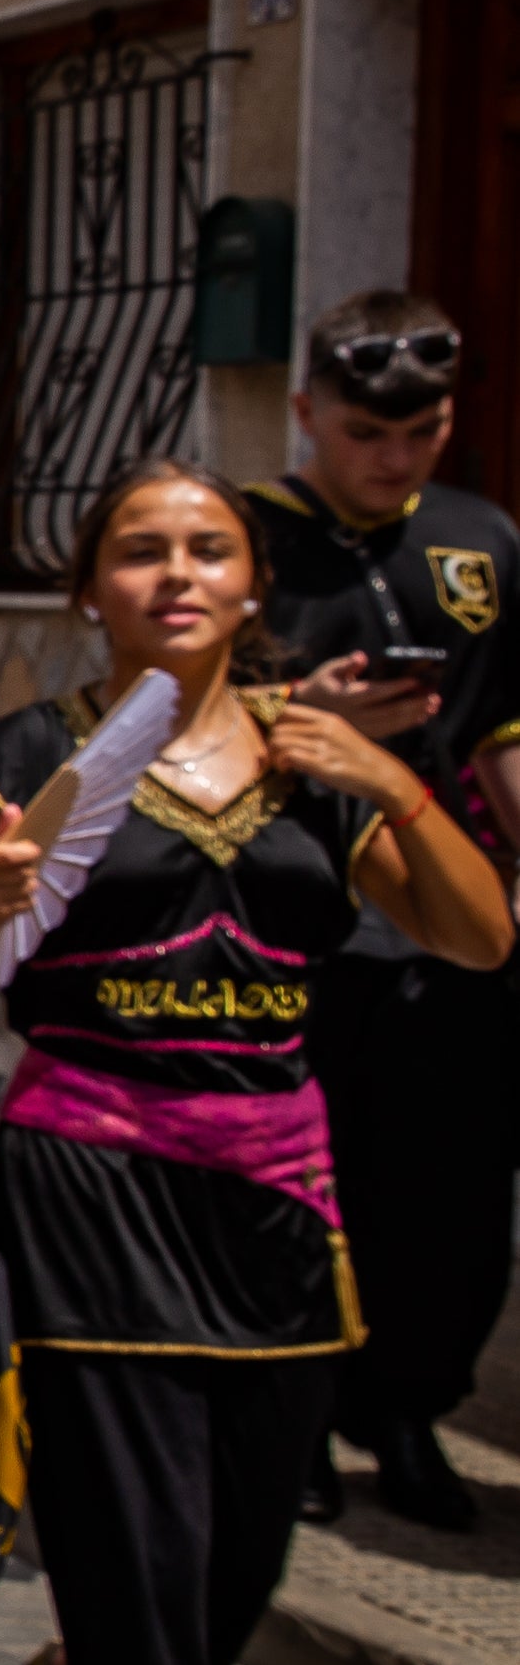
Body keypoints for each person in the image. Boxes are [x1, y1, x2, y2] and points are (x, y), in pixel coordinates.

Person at [0, 457, 504, 1665]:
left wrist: (398, 786)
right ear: (91, 590)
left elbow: (479, 933)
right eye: (140, 551)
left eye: (207, 549)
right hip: (91, 1173)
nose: (175, 573)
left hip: (278, 1191)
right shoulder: (35, 753)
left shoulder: (318, 764)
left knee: (239, 1549)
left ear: (252, 588)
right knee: (136, 1534)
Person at [245, 293, 520, 1532]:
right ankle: (290, 1415)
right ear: (306, 412)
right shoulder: (244, 539)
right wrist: (306, 714)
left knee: (449, 1196)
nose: (391, 458)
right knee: (306, 1182)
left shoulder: (479, 537)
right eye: (363, 432)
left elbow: (502, 725)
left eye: (418, 433)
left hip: (443, 917)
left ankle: (404, 1409)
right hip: (296, 914)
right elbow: (172, 719)